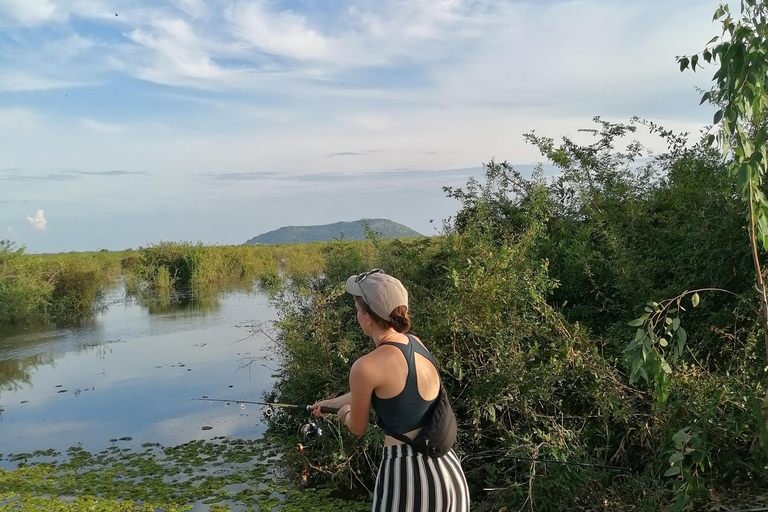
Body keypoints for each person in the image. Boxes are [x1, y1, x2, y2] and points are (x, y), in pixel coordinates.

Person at [311, 269, 470, 512]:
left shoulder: (365, 367)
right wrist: (328, 404)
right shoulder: (416, 344)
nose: (357, 315)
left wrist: (343, 413)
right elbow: (383, 393)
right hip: (448, 472)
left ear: (367, 318)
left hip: (408, 477)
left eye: (357, 309)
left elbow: (358, 426)